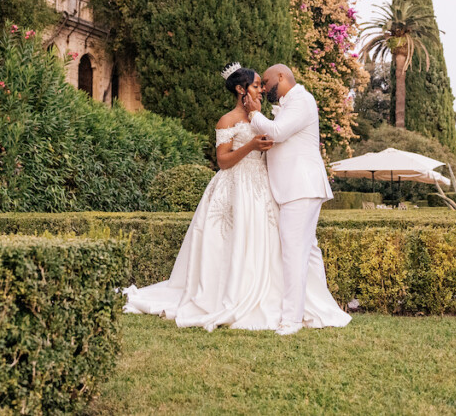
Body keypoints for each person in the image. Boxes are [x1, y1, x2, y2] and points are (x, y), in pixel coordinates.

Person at [122, 63, 285, 330]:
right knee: (230, 239)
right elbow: (222, 161)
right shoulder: (227, 120)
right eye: (256, 85)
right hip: (234, 185)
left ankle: (267, 293)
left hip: (260, 187)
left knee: (263, 238)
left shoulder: (259, 117)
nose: (261, 89)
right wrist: (252, 145)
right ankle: (225, 293)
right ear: (240, 89)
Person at [245, 64, 351, 334]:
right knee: (310, 251)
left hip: (300, 187)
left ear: (282, 77)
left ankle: (291, 320)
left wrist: (254, 114)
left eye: (267, 82)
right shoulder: (291, 102)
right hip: (294, 188)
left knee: (293, 252)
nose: (265, 87)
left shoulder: (301, 100)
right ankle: (322, 309)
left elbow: (277, 132)